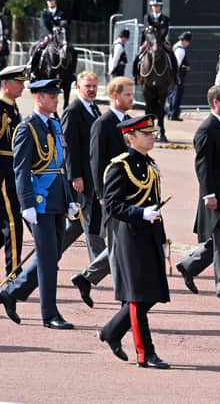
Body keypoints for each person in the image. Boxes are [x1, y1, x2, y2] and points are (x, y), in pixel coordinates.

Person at [0, 79, 77, 329]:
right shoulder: (27, 127)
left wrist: (70, 200)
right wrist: (26, 204)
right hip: (39, 202)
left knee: (53, 254)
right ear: (38, 98)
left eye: (56, 95)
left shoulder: (55, 124)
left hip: (57, 198)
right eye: (51, 96)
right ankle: (49, 313)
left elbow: (60, 166)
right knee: (47, 259)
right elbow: (20, 169)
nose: (56, 100)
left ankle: (12, 292)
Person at [98, 114, 171, 369]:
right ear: (131, 137)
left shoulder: (150, 164)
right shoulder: (120, 166)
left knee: (152, 293)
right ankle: (145, 353)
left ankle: (112, 330)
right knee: (138, 296)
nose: (152, 136)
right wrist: (139, 213)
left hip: (149, 234)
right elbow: (113, 205)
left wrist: (162, 238)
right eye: (146, 133)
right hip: (129, 236)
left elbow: (156, 203)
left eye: (152, 132)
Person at [175, 85, 220, 299]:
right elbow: (203, 165)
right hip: (219, 194)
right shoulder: (206, 129)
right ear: (216, 102)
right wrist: (208, 194)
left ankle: (190, 265)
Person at [61, 71, 107, 308]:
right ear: (78, 86)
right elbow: (68, 146)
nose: (91, 89)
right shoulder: (73, 110)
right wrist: (74, 175)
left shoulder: (94, 108)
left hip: (93, 175)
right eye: (87, 86)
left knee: (78, 225)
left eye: (94, 85)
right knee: (92, 225)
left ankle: (49, 254)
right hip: (83, 178)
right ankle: (94, 269)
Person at [87, 77, 134, 301]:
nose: (131, 99)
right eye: (127, 95)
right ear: (115, 96)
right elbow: (96, 162)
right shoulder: (102, 123)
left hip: (131, 192)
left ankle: (87, 277)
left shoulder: (131, 121)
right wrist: (101, 194)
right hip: (113, 193)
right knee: (117, 243)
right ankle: (123, 294)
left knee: (125, 243)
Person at [0, 65, 28, 277]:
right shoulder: (1, 109)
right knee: (12, 222)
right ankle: (14, 273)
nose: (22, 86)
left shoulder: (12, 108)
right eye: (18, 82)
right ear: (5, 84)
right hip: (3, 173)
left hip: (11, 171)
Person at [133, 0, 178, 82]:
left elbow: (165, 30)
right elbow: (147, 29)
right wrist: (151, 40)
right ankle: (135, 75)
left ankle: (175, 76)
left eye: (157, 6)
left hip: (161, 41)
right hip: (150, 41)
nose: (155, 7)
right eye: (153, 6)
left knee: (172, 55)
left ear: (160, 7)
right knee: (138, 56)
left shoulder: (165, 18)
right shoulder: (147, 17)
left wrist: (159, 40)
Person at [168, 31, 192, 122]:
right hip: (178, 75)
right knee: (177, 94)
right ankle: (173, 114)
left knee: (173, 94)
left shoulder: (176, 46)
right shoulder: (180, 50)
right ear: (185, 41)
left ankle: (171, 113)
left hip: (175, 75)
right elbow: (177, 64)